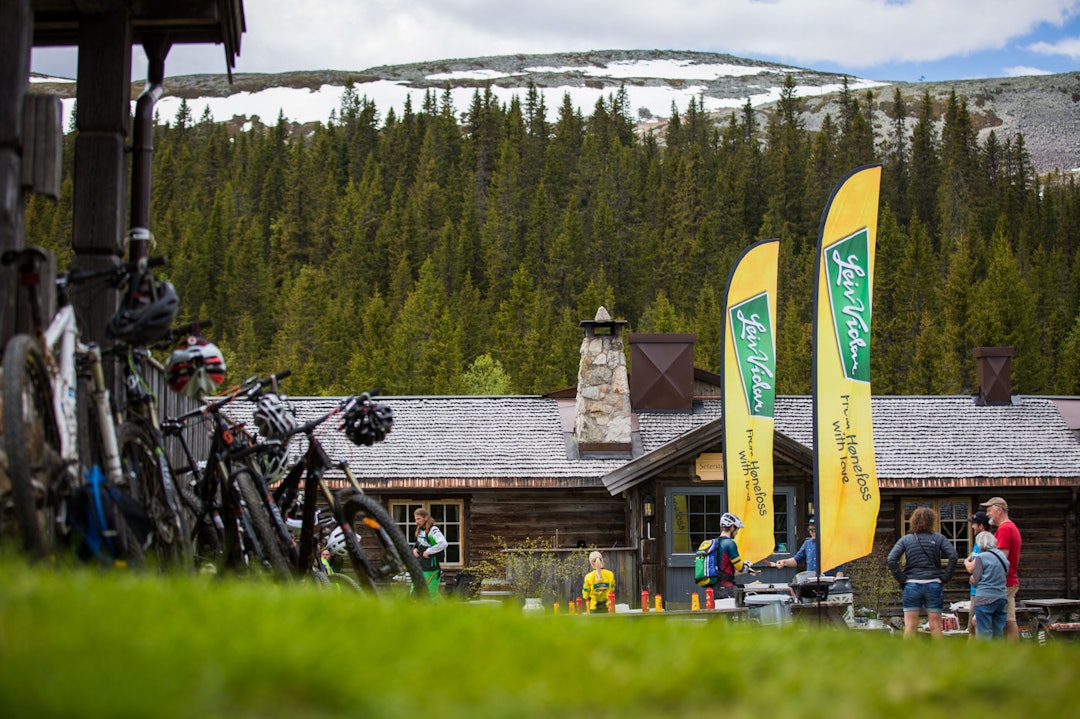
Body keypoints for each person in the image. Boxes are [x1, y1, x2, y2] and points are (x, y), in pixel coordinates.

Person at [887, 506, 959, 638]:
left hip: (912, 585)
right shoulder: (939, 538)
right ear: (932, 521)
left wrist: (902, 579)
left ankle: (908, 652)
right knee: (936, 626)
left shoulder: (906, 539)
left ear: (913, 521)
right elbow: (953, 556)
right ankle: (939, 651)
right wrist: (945, 577)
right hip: (933, 584)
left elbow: (891, 559)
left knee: (910, 626)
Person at [981, 497, 1022, 641]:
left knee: (983, 619)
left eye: (989, 510)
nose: (987, 514)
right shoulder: (1010, 527)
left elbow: (1000, 560)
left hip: (1003, 582)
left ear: (999, 510)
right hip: (1009, 580)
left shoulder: (1005, 529)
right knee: (1009, 620)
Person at [965, 530, 1009, 639]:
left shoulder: (981, 557)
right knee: (998, 632)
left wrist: (972, 580)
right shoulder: (1002, 556)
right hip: (1001, 597)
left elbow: (976, 580)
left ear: (980, 544)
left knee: (984, 632)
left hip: (984, 598)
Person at [768, 516, 845, 577]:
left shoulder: (830, 544)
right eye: (809, 530)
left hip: (826, 581)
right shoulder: (807, 543)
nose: (811, 532)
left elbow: (840, 569)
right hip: (810, 580)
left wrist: (837, 584)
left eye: (814, 530)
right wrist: (784, 562)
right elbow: (796, 560)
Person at [715, 512, 757, 599]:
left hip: (714, 587)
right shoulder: (729, 543)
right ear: (732, 527)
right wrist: (747, 565)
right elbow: (740, 567)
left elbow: (726, 570)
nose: (737, 533)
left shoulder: (715, 543)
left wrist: (747, 571)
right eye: (737, 529)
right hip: (726, 588)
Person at [964, 511, 993, 637]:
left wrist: (966, 562)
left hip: (981, 592)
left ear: (981, 526)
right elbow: (973, 556)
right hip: (975, 590)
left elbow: (971, 567)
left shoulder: (986, 544)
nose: (972, 527)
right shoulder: (977, 543)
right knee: (972, 626)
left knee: (975, 626)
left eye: (974, 524)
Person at [412, 508, 447, 600]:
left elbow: (443, 543)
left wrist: (429, 551)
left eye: (418, 519)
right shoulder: (420, 530)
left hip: (431, 568)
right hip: (419, 567)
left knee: (430, 595)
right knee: (414, 594)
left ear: (426, 518)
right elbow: (419, 543)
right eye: (415, 519)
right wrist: (414, 549)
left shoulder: (433, 530)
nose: (416, 522)